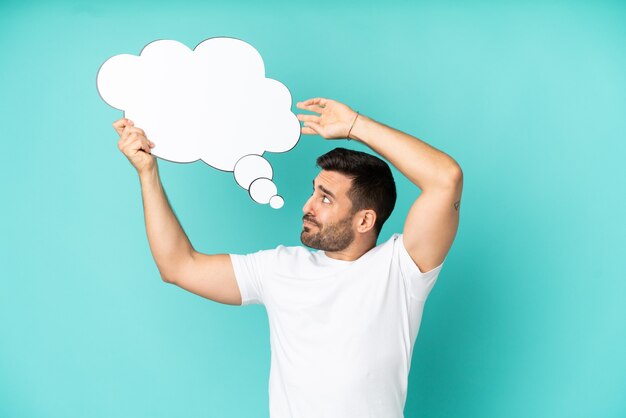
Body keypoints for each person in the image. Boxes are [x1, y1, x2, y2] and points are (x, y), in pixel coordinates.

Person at [113, 97, 463, 418]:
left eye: (325, 199)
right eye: (313, 192)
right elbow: (179, 266)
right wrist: (147, 173)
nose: (307, 207)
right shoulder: (279, 268)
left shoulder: (400, 269)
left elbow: (445, 179)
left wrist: (354, 125)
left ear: (365, 220)